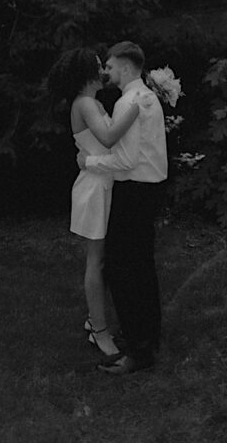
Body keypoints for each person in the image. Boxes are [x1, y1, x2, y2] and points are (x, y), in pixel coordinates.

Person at [77, 41, 168, 375]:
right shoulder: (148, 97)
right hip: (150, 189)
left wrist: (90, 162)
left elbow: (127, 160)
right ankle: (149, 341)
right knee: (141, 268)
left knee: (123, 271)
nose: (107, 72)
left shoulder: (129, 101)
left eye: (112, 67)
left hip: (133, 192)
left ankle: (137, 352)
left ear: (127, 68)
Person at [48, 47, 139, 358]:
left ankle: (99, 321)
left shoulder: (93, 102)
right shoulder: (85, 103)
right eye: (99, 66)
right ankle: (98, 330)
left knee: (104, 260)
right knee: (96, 260)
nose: (103, 70)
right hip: (95, 187)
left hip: (104, 179)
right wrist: (140, 106)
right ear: (86, 73)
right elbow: (110, 137)